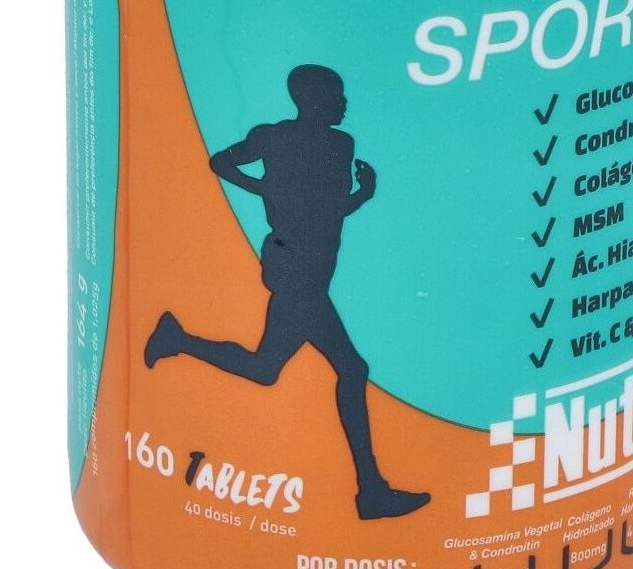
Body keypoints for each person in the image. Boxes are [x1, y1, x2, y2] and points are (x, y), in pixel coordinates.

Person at [145, 64, 430, 520]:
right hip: (294, 269)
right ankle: (371, 492)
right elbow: (221, 162)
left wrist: (359, 194)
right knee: (351, 369)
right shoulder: (274, 137)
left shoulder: (339, 144)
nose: (344, 104)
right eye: (337, 96)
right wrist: (265, 188)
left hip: (312, 270)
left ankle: (176, 339)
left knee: (266, 368)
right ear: (314, 100)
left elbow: (328, 209)